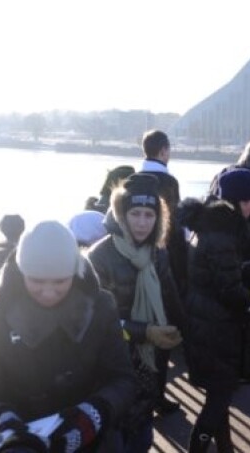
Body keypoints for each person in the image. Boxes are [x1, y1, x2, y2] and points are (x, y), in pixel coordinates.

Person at [0, 220, 137, 453]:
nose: (48, 292)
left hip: (91, 441)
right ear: (22, 270)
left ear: (75, 272)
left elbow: (123, 380)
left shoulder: (100, 306)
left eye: (60, 281)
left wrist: (93, 414)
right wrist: (2, 418)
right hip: (20, 444)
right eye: (36, 280)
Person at [88, 173, 185, 450]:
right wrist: (146, 332)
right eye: (135, 214)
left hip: (149, 365)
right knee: (116, 437)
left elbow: (171, 298)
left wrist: (186, 331)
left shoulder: (158, 252)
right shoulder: (99, 256)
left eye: (149, 215)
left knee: (142, 432)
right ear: (121, 214)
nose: (143, 222)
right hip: (112, 367)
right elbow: (97, 323)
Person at [179, 168, 250, 452]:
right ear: (235, 201)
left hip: (204, 320)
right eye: (249, 201)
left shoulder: (211, 227)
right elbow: (230, 290)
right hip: (216, 326)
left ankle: (225, 447)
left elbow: (219, 273)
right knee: (219, 397)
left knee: (220, 395)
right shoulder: (221, 235)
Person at [139, 129, 188, 301]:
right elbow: (174, 219)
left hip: (139, 247)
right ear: (163, 150)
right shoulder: (169, 182)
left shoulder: (134, 179)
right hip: (166, 249)